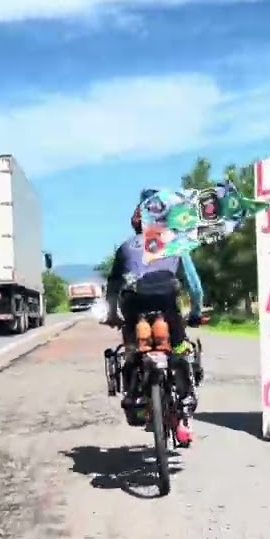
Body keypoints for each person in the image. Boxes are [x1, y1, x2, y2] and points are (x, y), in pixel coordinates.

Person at [105, 191, 205, 446]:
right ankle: (184, 405)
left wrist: (112, 314)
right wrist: (195, 312)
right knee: (181, 349)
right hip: (167, 305)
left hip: (134, 307)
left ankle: (133, 393)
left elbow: (113, 287)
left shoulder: (126, 247)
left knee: (130, 352)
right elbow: (194, 286)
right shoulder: (176, 242)